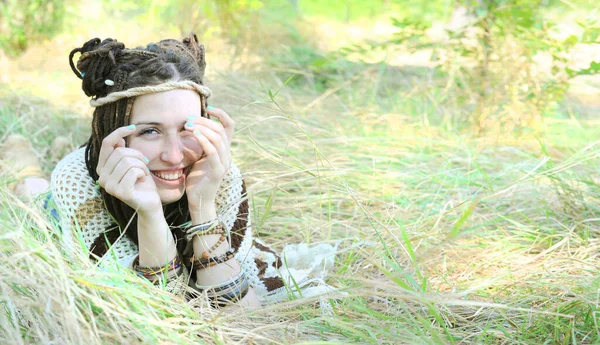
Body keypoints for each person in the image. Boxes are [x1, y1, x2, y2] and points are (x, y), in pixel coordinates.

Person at [33, 33, 338, 309]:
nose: (175, 155)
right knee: (32, 188)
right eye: (150, 131)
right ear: (113, 132)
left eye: (188, 128)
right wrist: (150, 214)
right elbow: (158, 314)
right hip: (59, 208)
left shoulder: (215, 171)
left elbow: (244, 316)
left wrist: (202, 206)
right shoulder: (76, 182)